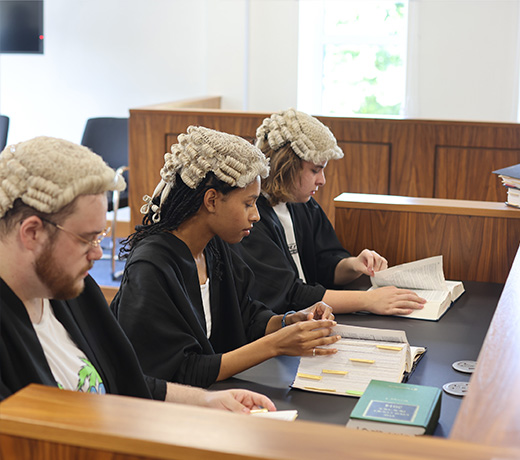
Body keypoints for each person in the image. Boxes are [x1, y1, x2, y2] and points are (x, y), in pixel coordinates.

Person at [0, 136, 276, 413]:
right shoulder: (61, 288)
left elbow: (127, 381)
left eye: (100, 237)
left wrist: (206, 400)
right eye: (86, 239)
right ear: (32, 233)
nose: (97, 254)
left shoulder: (73, 290)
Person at [111, 126, 340, 389]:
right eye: (248, 203)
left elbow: (246, 316)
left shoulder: (214, 248)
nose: (255, 215)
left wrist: (288, 321)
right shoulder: (152, 266)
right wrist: (276, 345)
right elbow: (179, 371)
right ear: (211, 200)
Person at [232, 108, 426, 316]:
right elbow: (289, 295)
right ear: (285, 165)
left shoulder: (304, 204)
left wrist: (353, 265)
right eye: (315, 170)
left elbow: (326, 265)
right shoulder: (252, 219)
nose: (322, 180)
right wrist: (368, 300)